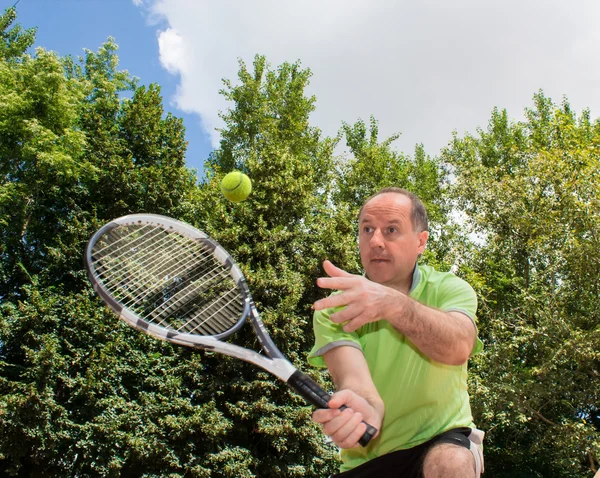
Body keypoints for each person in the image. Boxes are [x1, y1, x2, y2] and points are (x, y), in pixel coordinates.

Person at [308, 187, 484, 477]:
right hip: (367, 459)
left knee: (451, 462)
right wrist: (366, 408)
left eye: (391, 229)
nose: (376, 241)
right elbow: (353, 381)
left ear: (420, 242)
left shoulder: (449, 288)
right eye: (367, 229)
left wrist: (392, 305)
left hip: (440, 440)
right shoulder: (333, 306)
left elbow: (458, 346)